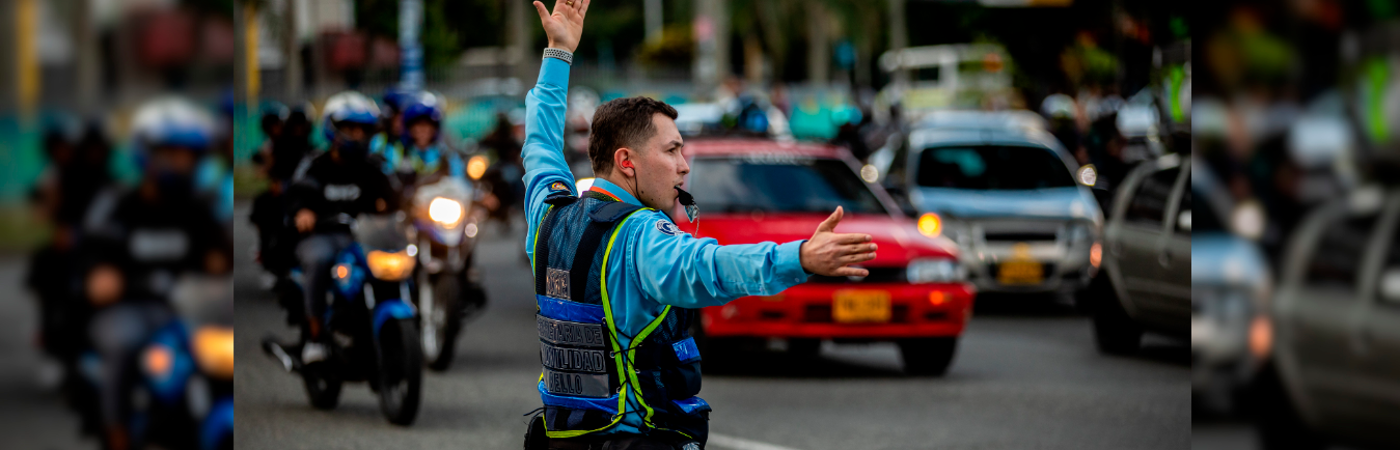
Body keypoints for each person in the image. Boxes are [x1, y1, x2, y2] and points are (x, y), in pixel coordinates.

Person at [520, 2, 876, 449]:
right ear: (626, 162)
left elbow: (540, 142)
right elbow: (709, 267)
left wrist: (558, 53)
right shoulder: (639, 236)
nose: (684, 167)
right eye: (671, 151)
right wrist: (800, 256)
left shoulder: (547, 215)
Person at [80, 97, 232, 450]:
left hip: (188, 312)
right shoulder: (117, 205)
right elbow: (94, 256)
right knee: (125, 345)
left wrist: (220, 266)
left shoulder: (199, 207)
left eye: (189, 155)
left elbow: (220, 257)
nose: (183, 162)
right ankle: (117, 434)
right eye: (172, 153)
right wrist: (101, 276)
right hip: (131, 309)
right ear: (146, 154)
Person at [286, 91, 399, 363]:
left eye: (363, 129)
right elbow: (297, 194)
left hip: (364, 239)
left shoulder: (375, 167)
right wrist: (302, 211)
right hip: (323, 237)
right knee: (319, 259)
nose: (357, 135)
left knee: (398, 262)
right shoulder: (315, 165)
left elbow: (396, 198)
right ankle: (315, 338)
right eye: (350, 128)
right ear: (332, 129)